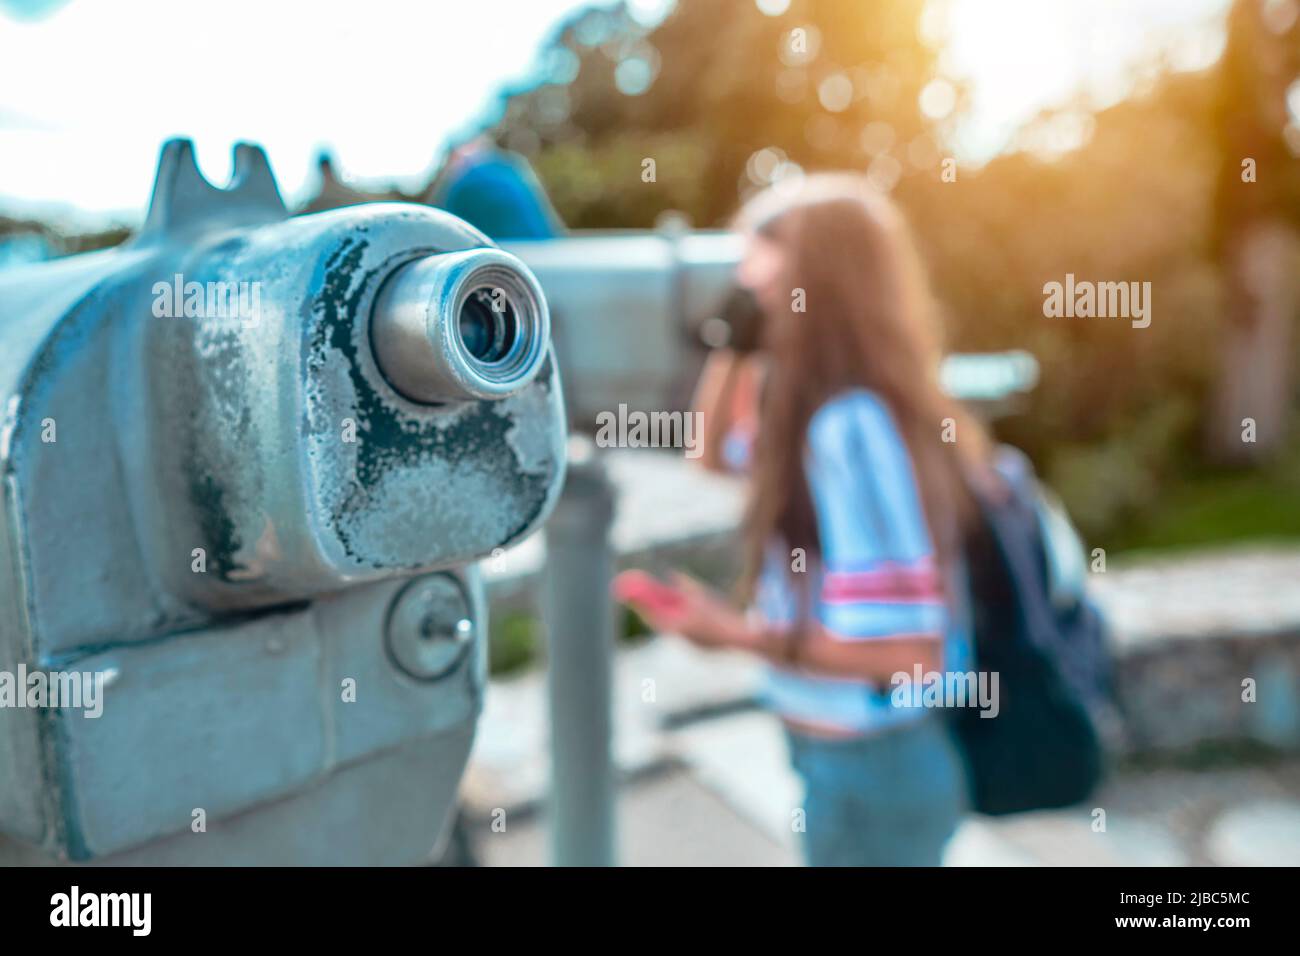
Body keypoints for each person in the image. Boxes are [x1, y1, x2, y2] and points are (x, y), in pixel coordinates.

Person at [613, 173, 993, 866]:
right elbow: (711, 456)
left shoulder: (854, 429)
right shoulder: (821, 414)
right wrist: (736, 342)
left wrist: (733, 634)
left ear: (815, 279)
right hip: (840, 761)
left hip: (873, 774)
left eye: (758, 265)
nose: (743, 280)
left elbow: (909, 655)